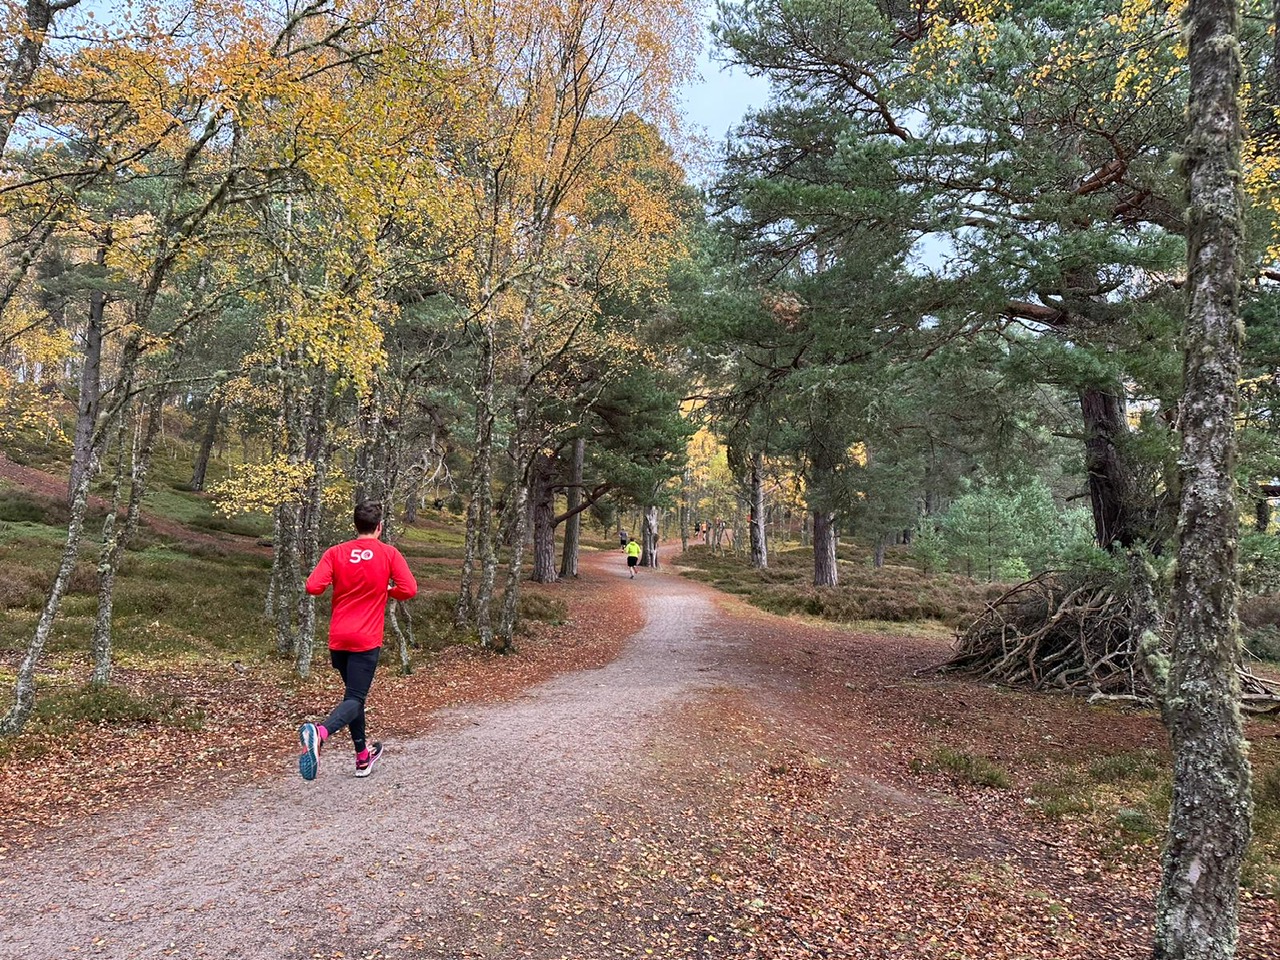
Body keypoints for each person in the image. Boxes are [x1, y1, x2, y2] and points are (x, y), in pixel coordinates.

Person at [297, 501, 417, 781]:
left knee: (353, 697)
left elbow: (313, 587)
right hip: (365, 639)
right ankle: (320, 732)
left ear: (355, 525)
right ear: (380, 527)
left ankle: (363, 757)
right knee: (354, 698)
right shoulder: (388, 553)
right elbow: (409, 589)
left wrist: (340, 583)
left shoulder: (336, 552)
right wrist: (387, 591)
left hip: (338, 639)